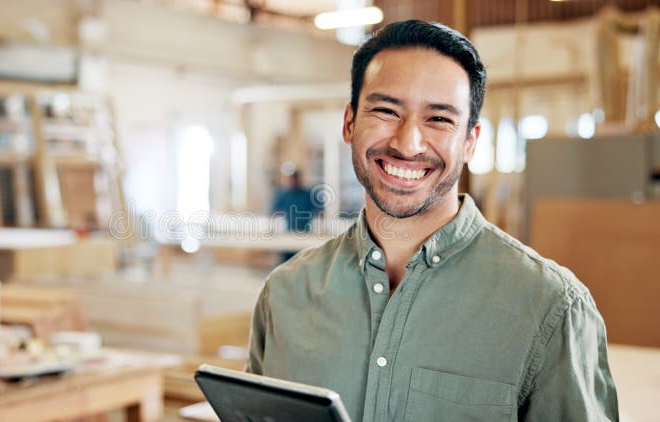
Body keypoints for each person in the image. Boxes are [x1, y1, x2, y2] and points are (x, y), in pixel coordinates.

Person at [246, 20, 618, 421]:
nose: (408, 143)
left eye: (439, 119)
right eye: (387, 111)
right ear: (350, 123)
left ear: (470, 141)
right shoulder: (285, 294)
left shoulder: (550, 307)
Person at [271, 168, 323, 262]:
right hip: (289, 235)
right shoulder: (284, 195)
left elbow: (321, 211)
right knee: (286, 264)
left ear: (299, 179)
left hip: (305, 235)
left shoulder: (308, 194)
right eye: (291, 179)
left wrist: (321, 228)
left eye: (295, 179)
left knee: (304, 262)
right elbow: (274, 212)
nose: (293, 182)